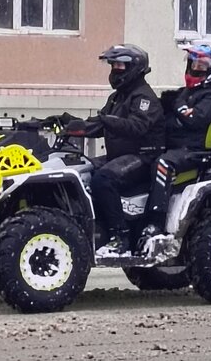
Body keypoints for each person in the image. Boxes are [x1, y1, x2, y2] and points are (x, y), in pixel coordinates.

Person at [64, 44, 165, 256]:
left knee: (103, 179)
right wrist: (71, 126)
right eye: (113, 65)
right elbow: (101, 124)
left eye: (120, 65)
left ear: (135, 68)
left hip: (143, 156)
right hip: (119, 156)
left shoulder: (143, 98)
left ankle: (120, 236)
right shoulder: (117, 97)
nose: (116, 70)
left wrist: (106, 121)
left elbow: (136, 127)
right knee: (80, 170)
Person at [140, 43, 211, 244]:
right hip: (177, 146)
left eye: (202, 65)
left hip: (194, 150)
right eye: (193, 64)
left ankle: (156, 220)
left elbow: (191, 119)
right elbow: (171, 109)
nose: (196, 69)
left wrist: (179, 107)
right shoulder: (188, 93)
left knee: (163, 164)